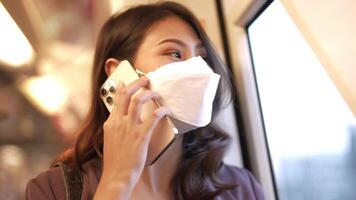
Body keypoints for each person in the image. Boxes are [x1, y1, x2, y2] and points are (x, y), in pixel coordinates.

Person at [26, 2, 264, 200]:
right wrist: (116, 182)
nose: (198, 68)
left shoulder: (240, 187)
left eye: (202, 57)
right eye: (174, 53)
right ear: (118, 75)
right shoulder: (52, 190)